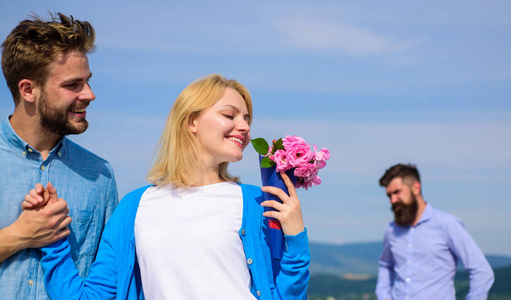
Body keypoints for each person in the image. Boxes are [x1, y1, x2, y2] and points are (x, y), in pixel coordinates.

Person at [24, 74, 310, 299]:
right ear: (191, 121)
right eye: (230, 115)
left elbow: (286, 292)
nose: (244, 126)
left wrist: (296, 237)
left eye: (247, 118)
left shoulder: (258, 201)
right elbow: (92, 296)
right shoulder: (135, 207)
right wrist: (53, 238)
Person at [0, 12, 118, 299]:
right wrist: (18, 236)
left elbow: (107, 283)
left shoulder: (99, 174)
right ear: (28, 90)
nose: (89, 94)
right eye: (72, 85)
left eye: (87, 81)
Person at [375, 163, 494, 300]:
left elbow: (481, 271)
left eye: (397, 192)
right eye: (389, 195)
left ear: (416, 188)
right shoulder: (391, 230)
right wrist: (384, 296)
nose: (392, 200)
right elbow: (386, 265)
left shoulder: (447, 224)